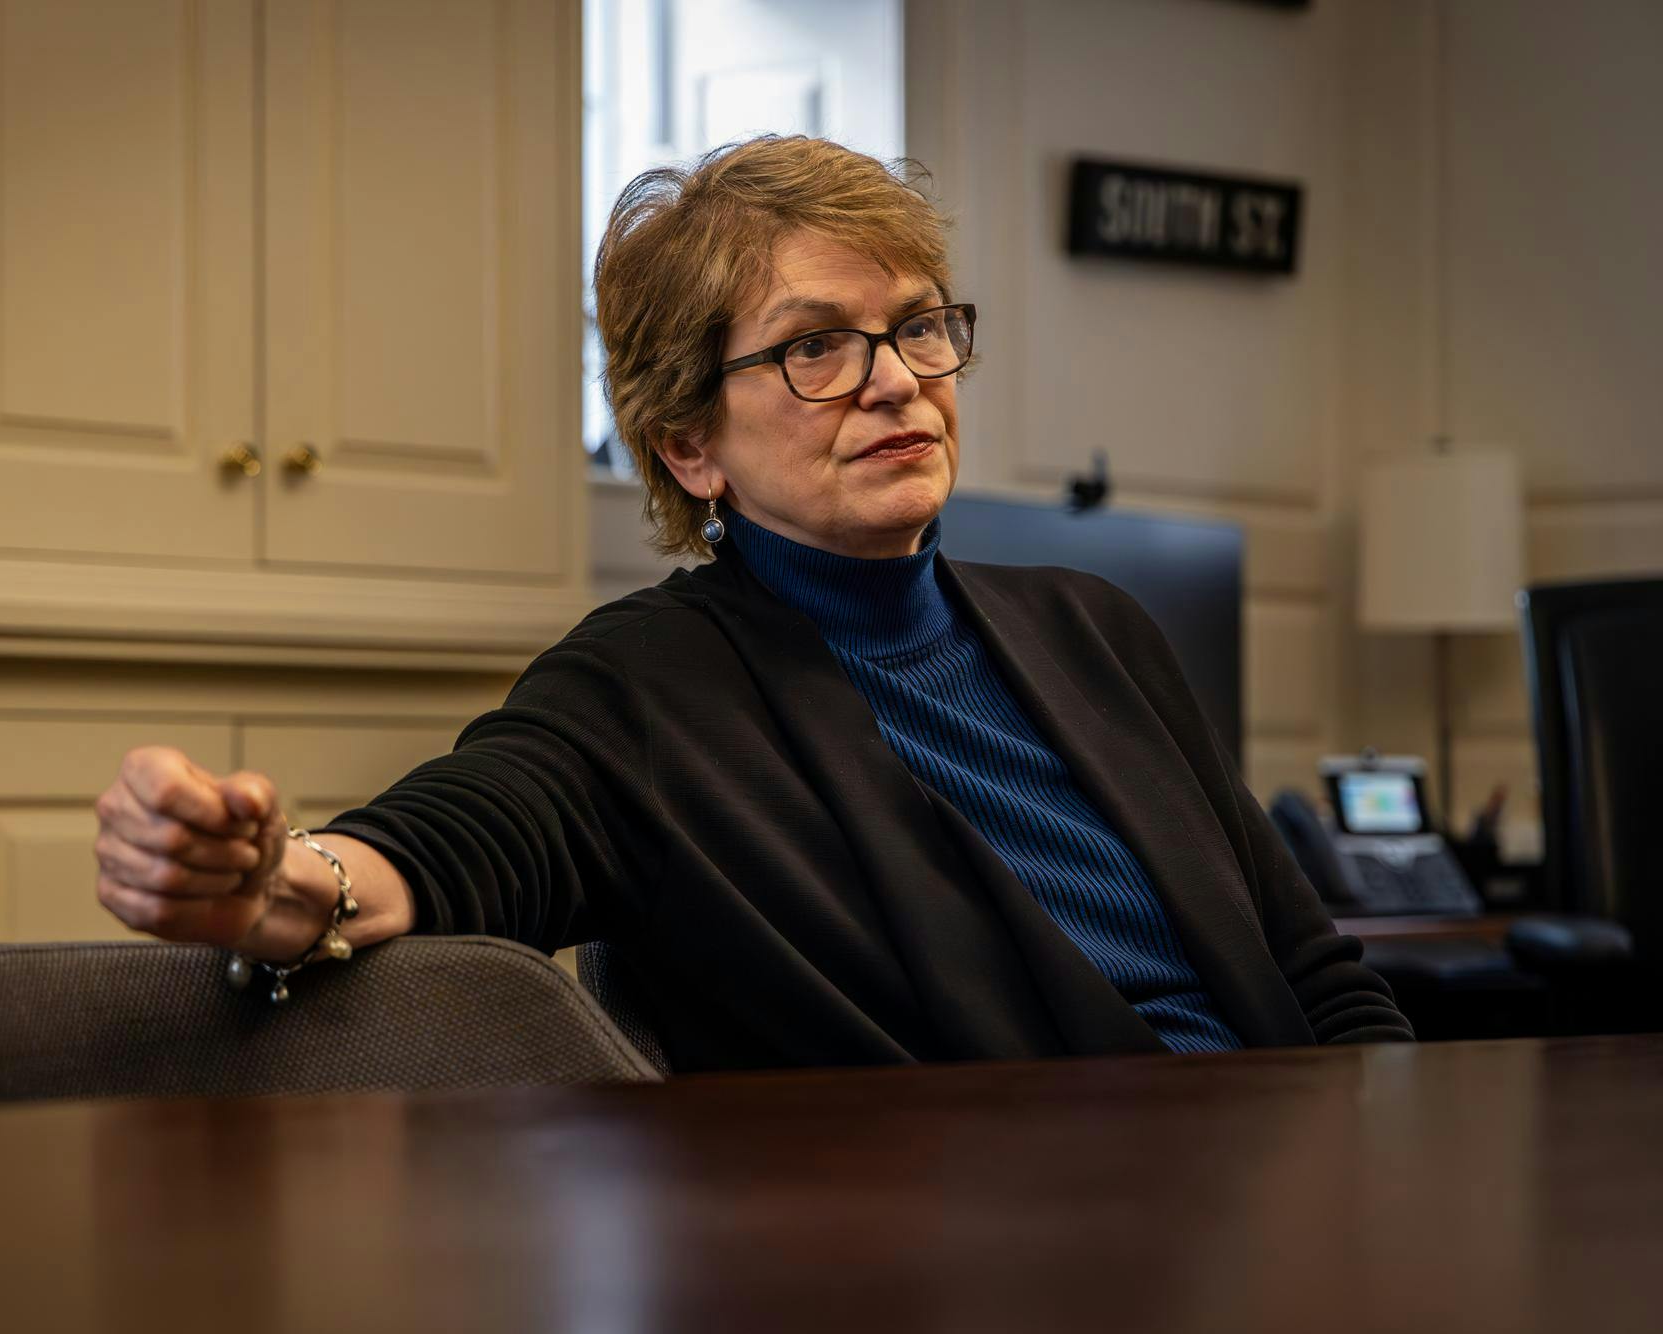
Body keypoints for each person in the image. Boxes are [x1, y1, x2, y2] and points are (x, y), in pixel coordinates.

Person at [93, 136, 1412, 1071]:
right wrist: (264, 880)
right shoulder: (644, 691)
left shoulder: (1095, 627)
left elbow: (1317, 978)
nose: (896, 380)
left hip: (1289, 1187)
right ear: (690, 447)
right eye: (816, 346)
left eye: (917, 326)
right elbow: (436, 855)